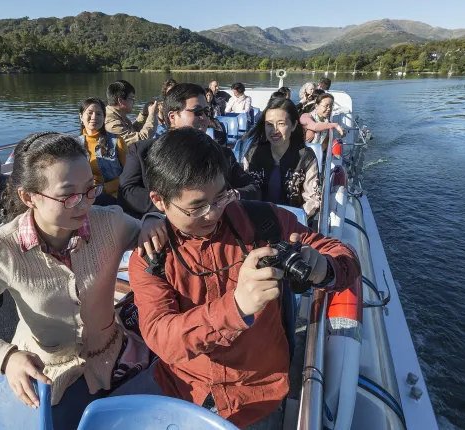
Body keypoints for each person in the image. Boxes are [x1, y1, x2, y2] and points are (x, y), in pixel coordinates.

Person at [111, 127, 361, 429]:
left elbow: (343, 255)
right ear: (159, 201)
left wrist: (323, 267)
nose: (213, 213)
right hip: (182, 390)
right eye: (197, 207)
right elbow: (163, 338)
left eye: (221, 197)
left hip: (259, 395)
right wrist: (236, 307)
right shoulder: (152, 257)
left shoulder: (263, 221)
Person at [0, 132, 167, 430]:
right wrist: (6, 358)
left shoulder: (110, 223)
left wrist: (153, 220)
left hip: (116, 355)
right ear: (28, 197)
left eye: (89, 189)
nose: (82, 205)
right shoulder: (1, 250)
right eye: (68, 194)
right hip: (47, 373)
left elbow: (149, 226)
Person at [118, 83, 260, 218]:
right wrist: (179, 208)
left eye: (206, 111)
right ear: (172, 117)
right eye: (197, 112)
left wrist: (233, 195)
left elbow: (253, 189)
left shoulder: (222, 154)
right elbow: (127, 193)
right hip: (158, 230)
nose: (204, 118)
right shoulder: (141, 151)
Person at [243, 97, 322, 218]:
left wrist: (293, 220)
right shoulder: (253, 153)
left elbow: (313, 199)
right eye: (269, 124)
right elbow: (247, 190)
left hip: (294, 222)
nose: (274, 131)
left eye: (281, 124)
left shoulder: (305, 156)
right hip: (258, 219)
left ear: (294, 125)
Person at [78, 98, 128, 199]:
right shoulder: (74, 145)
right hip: (83, 196)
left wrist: (104, 189)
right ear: (81, 117)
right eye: (90, 113)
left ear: (104, 118)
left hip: (112, 196)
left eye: (99, 114)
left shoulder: (116, 141)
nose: (94, 117)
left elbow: (129, 174)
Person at [104, 80, 158, 145]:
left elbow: (132, 132)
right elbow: (141, 139)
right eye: (132, 98)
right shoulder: (112, 124)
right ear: (121, 100)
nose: (134, 102)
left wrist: (144, 114)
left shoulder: (117, 114)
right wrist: (152, 115)